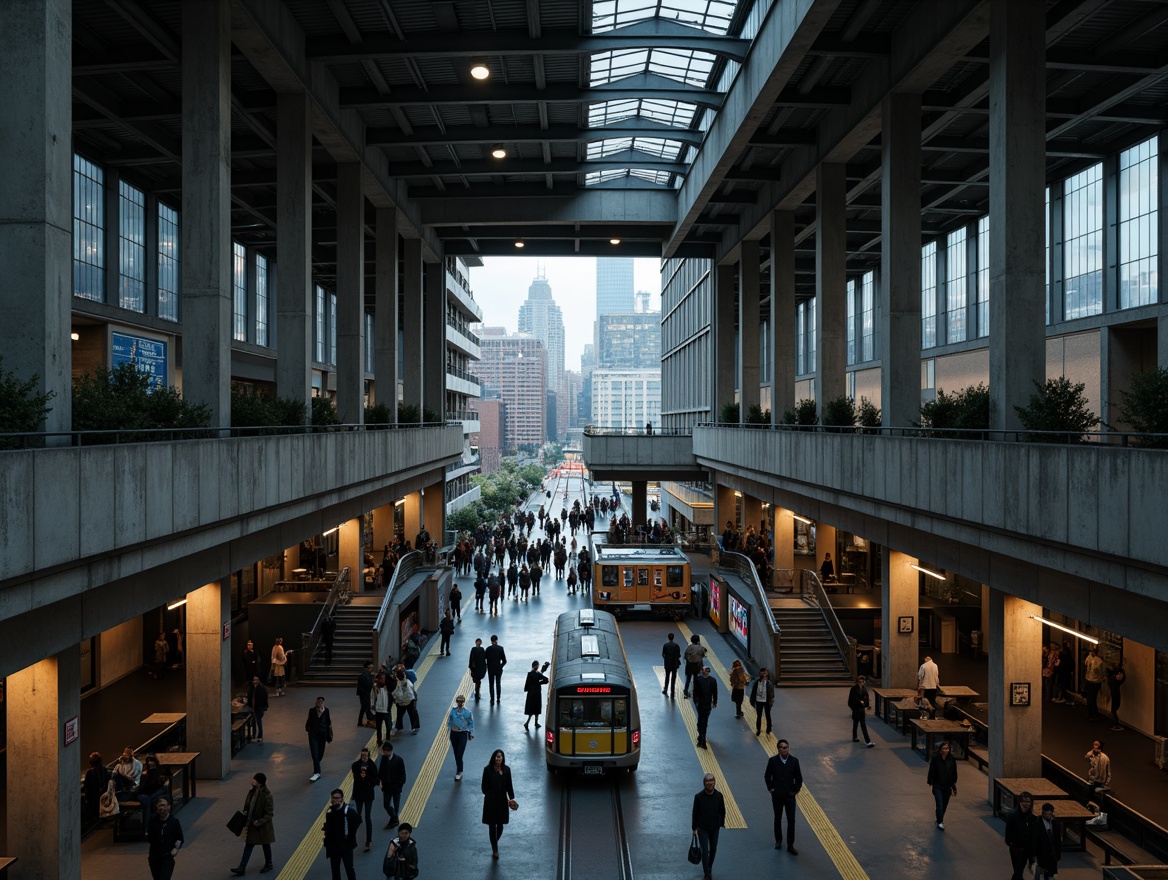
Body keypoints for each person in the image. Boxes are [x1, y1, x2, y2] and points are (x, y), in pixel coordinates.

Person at [230, 772, 275, 874]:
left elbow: (269, 813)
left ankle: (268, 864)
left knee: (265, 844)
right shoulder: (252, 791)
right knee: (250, 844)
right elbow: (248, 803)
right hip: (252, 823)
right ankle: (243, 867)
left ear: (259, 782)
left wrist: (259, 822)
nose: (252, 780)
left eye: (254, 779)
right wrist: (246, 809)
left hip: (262, 825)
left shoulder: (267, 796)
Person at [764, 739, 803, 854]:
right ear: (778, 749)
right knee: (777, 818)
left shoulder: (794, 761)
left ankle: (790, 844)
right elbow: (767, 776)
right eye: (781, 747)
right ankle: (778, 840)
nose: (784, 749)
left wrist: (795, 791)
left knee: (791, 820)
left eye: (786, 747)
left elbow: (799, 778)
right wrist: (771, 788)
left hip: (790, 796)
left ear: (788, 748)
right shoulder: (773, 761)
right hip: (777, 796)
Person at [480, 749, 516, 860]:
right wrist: (489, 795)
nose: (498, 758)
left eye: (500, 756)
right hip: (491, 802)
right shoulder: (487, 770)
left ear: (502, 758)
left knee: (500, 825)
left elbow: (509, 785)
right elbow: (483, 787)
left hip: (502, 802)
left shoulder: (506, 770)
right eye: (496, 756)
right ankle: (495, 849)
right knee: (492, 826)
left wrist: (511, 799)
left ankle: (494, 842)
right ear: (493, 758)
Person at [691, 773, 726, 880]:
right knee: (705, 850)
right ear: (704, 783)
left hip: (715, 828)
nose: (710, 783)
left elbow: (722, 810)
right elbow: (695, 813)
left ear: (714, 782)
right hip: (702, 828)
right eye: (707, 781)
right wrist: (694, 828)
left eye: (712, 781)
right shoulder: (698, 797)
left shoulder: (719, 796)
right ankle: (707, 872)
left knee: (714, 849)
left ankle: (709, 867)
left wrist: (720, 823)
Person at [322, 789, 361, 880]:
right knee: (335, 871)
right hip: (333, 846)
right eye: (333, 798)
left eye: (337, 798)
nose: (335, 800)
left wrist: (350, 836)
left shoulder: (349, 812)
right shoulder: (330, 812)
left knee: (349, 868)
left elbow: (357, 821)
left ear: (342, 799)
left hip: (345, 846)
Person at [145, 795, 183, 880]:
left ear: (169, 807)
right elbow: (149, 836)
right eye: (159, 806)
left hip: (167, 857)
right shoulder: (152, 820)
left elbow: (180, 838)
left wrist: (176, 848)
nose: (161, 808)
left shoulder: (174, 822)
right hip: (154, 857)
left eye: (163, 805)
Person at [1004, 791, 1038, 880]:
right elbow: (1008, 833)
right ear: (1019, 802)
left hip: (1029, 849)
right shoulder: (1013, 816)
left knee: (1018, 872)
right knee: (1018, 871)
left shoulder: (1033, 818)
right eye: (1024, 802)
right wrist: (1011, 843)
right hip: (1017, 849)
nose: (1026, 804)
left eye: (1028, 802)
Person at [351, 748, 379, 852]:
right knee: (358, 816)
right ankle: (354, 839)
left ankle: (368, 840)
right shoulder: (356, 766)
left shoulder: (372, 766)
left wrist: (366, 778)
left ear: (368, 755)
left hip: (367, 795)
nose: (363, 757)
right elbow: (355, 780)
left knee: (368, 817)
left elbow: (375, 780)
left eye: (365, 755)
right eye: (362, 755)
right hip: (359, 794)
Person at [927, 740, 958, 830]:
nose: (946, 750)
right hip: (937, 786)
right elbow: (931, 771)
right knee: (939, 804)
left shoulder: (951, 759)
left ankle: (939, 818)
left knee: (944, 804)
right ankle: (940, 821)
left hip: (947, 786)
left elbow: (954, 772)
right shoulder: (936, 759)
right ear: (940, 750)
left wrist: (953, 784)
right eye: (944, 748)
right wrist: (930, 781)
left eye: (947, 748)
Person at [377, 741, 406, 829]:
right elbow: (381, 772)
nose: (385, 753)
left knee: (396, 805)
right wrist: (380, 781)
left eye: (386, 751)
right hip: (387, 787)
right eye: (384, 751)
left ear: (390, 751)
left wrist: (399, 785)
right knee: (386, 804)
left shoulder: (399, 760)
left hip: (396, 787)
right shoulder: (384, 759)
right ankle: (395, 818)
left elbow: (403, 775)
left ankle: (394, 818)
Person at [305, 696, 333, 782]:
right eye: (318, 702)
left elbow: (328, 723)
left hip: (322, 736)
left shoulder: (326, 711)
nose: (319, 703)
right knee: (315, 754)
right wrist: (309, 730)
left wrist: (328, 736)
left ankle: (317, 764)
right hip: (313, 736)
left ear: (323, 703)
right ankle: (317, 772)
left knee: (320, 754)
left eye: (321, 702)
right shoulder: (312, 711)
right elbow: (308, 722)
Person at [448, 694, 475, 780]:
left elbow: (471, 723)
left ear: (463, 702)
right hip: (454, 733)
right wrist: (448, 731)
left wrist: (470, 733)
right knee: (456, 753)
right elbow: (450, 721)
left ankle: (460, 771)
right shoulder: (452, 711)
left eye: (461, 701)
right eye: (458, 701)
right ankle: (459, 767)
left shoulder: (467, 712)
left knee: (460, 753)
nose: (460, 703)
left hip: (463, 733)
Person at [692, 665, 718, 749]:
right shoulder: (712, 680)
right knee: (704, 721)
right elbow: (715, 693)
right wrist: (714, 702)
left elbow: (695, 692)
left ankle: (701, 737)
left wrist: (695, 701)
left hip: (702, 704)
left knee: (702, 720)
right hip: (704, 704)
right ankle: (702, 737)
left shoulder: (699, 679)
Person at [83, 751, 112, 825]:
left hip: (93, 796)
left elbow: (86, 785)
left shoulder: (90, 772)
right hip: (103, 794)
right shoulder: (104, 769)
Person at [1034, 803, 1061, 879]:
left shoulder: (1055, 823)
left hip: (1052, 853)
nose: (1048, 816)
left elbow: (1057, 840)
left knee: (1050, 873)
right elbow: (1035, 839)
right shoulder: (1037, 823)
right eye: (1046, 814)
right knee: (1042, 872)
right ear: (1043, 813)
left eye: (1050, 814)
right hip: (1042, 852)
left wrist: (1058, 854)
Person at [392, 667, 421, 735]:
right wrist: (415, 698)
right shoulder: (409, 682)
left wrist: (395, 699)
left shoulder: (399, 684)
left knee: (400, 715)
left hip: (401, 703)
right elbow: (413, 691)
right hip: (410, 701)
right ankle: (415, 727)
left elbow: (396, 693)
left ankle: (398, 727)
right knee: (413, 714)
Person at [848, 675, 875, 747]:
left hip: (861, 709)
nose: (864, 682)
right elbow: (852, 700)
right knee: (858, 724)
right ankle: (861, 739)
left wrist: (864, 702)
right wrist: (860, 702)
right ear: (859, 682)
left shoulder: (863, 688)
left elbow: (866, 696)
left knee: (859, 724)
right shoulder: (854, 689)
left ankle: (861, 739)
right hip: (856, 709)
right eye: (862, 681)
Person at [523, 661, 550, 730]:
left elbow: (527, 684)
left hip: (530, 694)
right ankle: (533, 723)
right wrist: (539, 683)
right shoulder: (538, 674)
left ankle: (531, 723)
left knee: (531, 710)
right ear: (536, 666)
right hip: (537, 694)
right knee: (536, 709)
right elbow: (546, 680)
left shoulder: (529, 674)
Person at [750, 668, 775, 736]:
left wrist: (772, 699)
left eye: (765, 675)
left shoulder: (769, 683)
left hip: (767, 701)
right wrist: (752, 701)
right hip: (759, 701)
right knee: (759, 716)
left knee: (768, 715)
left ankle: (769, 729)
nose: (765, 677)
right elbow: (753, 692)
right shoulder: (756, 682)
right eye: (763, 675)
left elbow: (772, 692)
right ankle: (758, 729)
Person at [1083, 646, 1106, 721]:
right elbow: (1101, 671)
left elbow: (1085, 665)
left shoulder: (1088, 657)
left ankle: (1091, 713)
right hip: (1096, 681)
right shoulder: (1099, 660)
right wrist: (1103, 678)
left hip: (1089, 680)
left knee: (1090, 698)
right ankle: (1094, 713)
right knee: (1093, 697)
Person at [485, 635, 507, 705]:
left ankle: (492, 699)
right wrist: (501, 666)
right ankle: (498, 698)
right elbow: (504, 661)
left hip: (490, 669)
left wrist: (487, 666)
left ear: (491, 641)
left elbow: (485, 659)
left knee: (491, 684)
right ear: (497, 640)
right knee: (498, 683)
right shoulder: (500, 648)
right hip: (498, 668)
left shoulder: (488, 649)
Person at [372, 672, 392, 745]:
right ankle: (379, 740)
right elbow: (372, 698)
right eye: (382, 678)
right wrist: (373, 708)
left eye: (384, 678)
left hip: (387, 709)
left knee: (388, 725)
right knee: (379, 727)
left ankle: (388, 737)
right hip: (379, 711)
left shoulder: (388, 686)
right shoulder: (376, 687)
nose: (383, 680)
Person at [247, 675, 269, 743]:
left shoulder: (262, 688)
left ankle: (259, 735)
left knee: (258, 721)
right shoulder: (252, 688)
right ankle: (253, 735)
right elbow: (249, 696)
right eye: (254, 680)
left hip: (259, 707)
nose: (255, 681)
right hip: (254, 707)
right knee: (254, 721)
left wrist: (259, 705)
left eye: (256, 680)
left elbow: (263, 698)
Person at [1107, 657, 1126, 730]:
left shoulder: (1112, 679)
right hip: (1115, 692)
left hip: (1114, 692)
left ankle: (1115, 723)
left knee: (1114, 707)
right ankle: (1115, 723)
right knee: (1115, 707)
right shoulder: (1115, 680)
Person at [662, 632, 681, 697]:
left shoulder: (665, 645)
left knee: (667, 677)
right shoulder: (676, 645)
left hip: (667, 664)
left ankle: (665, 689)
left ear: (668, 638)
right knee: (673, 677)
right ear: (673, 638)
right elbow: (679, 655)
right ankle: (672, 690)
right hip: (674, 664)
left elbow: (663, 654)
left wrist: (666, 658)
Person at [357, 661, 375, 729]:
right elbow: (368, 685)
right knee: (365, 707)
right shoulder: (366, 675)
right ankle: (368, 721)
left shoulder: (365, 674)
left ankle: (363, 721)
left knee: (364, 707)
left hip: (363, 693)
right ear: (368, 667)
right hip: (365, 693)